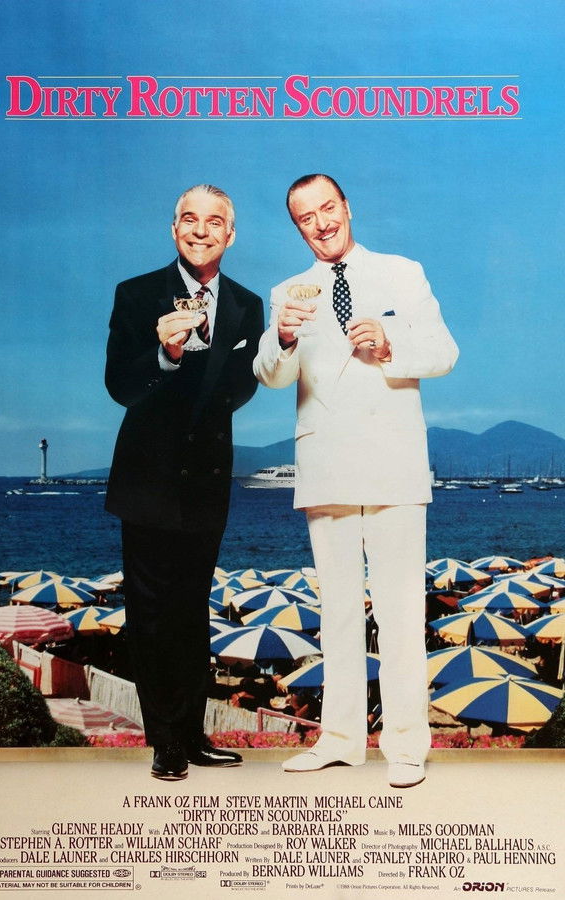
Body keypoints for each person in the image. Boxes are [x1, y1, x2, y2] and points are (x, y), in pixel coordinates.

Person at [253, 174, 458, 788]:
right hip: (327, 466)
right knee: (337, 611)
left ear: (347, 208)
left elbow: (445, 352)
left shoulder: (403, 272)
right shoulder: (286, 292)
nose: (321, 223)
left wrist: (391, 344)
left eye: (328, 208)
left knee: (400, 611)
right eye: (306, 217)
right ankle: (340, 741)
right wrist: (283, 335)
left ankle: (405, 747)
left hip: (394, 464)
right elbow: (270, 375)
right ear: (297, 228)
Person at [105, 184, 263, 780]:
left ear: (230, 235)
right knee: (150, 614)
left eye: (214, 221)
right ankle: (165, 742)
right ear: (174, 230)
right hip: (147, 478)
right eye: (190, 220)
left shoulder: (247, 304)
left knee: (192, 611)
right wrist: (167, 354)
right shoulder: (136, 293)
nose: (201, 230)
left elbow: (242, 388)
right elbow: (120, 386)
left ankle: (193, 736)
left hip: (207, 481)